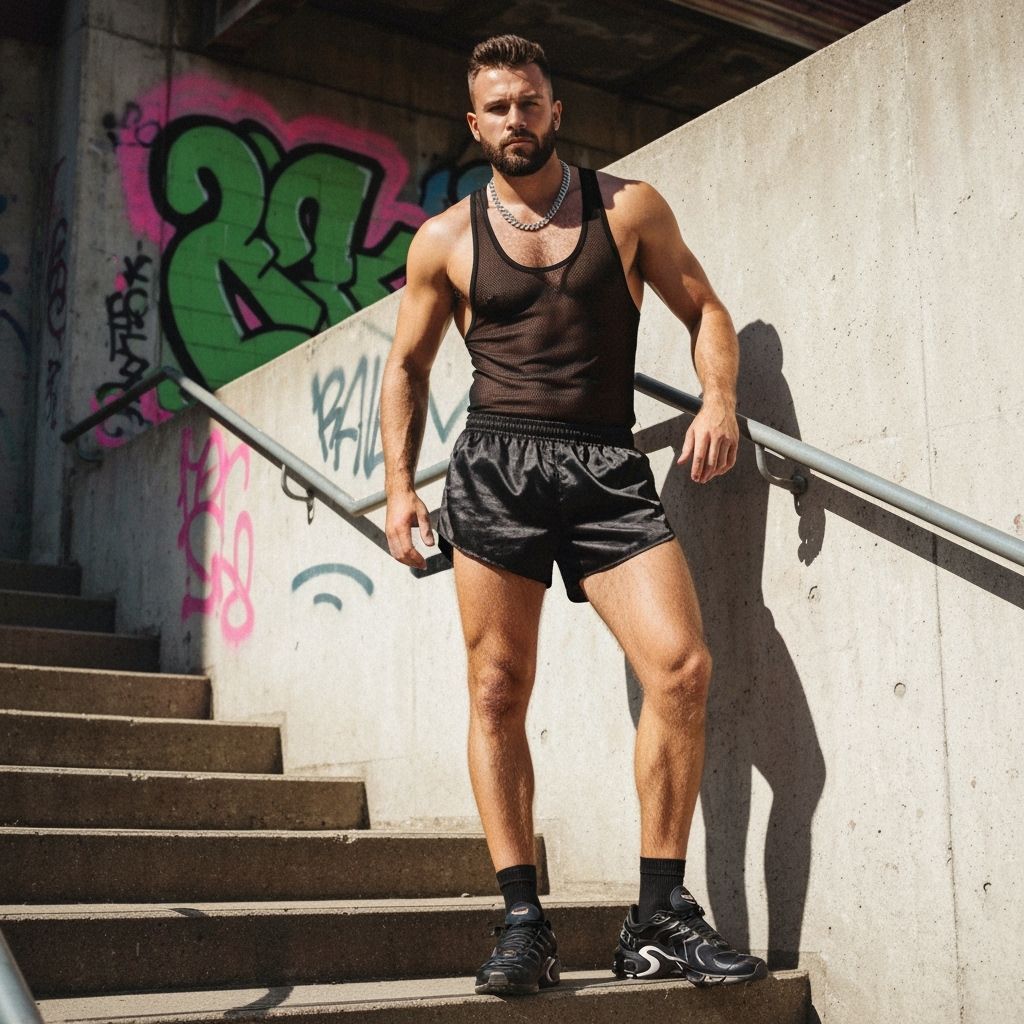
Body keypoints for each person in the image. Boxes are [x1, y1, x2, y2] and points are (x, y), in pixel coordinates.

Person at [380, 33, 768, 996]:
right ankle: (523, 922)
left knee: (681, 668)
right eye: (498, 107)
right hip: (497, 469)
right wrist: (397, 488)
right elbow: (409, 367)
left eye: (531, 102)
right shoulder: (446, 239)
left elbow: (707, 310)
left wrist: (717, 400)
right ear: (475, 126)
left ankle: (658, 917)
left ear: (556, 110)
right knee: (497, 690)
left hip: (604, 465)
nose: (518, 119)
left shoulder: (627, 208)